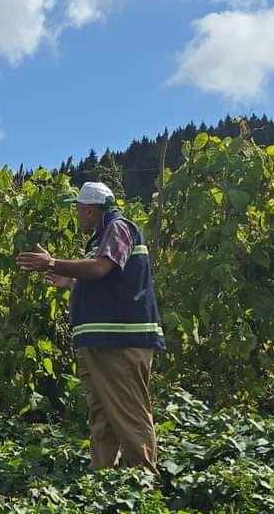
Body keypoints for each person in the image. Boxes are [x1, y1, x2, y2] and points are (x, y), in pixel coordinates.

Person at [16, 181, 164, 473]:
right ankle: (104, 477)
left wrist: (53, 263)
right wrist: (73, 282)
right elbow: (107, 278)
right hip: (102, 340)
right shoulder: (104, 234)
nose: (77, 216)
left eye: (78, 210)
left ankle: (144, 481)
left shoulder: (118, 227)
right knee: (104, 413)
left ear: (88, 210)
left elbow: (99, 268)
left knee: (128, 411)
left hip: (119, 340)